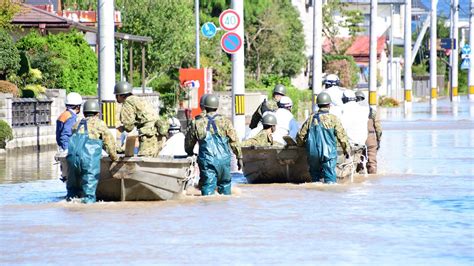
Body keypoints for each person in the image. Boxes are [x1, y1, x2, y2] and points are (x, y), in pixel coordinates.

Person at [185, 94, 243, 195]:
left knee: (208, 188)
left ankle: (208, 210)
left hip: (208, 162)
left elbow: (189, 142)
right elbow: (235, 141)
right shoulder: (226, 122)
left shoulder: (197, 122)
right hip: (224, 161)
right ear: (216, 106)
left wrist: (189, 152)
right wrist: (239, 157)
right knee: (225, 187)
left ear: (204, 106)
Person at [66, 100, 119, 203]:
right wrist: (114, 158)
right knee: (89, 194)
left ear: (84, 113)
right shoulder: (99, 123)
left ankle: (70, 205)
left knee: (72, 192)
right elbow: (109, 143)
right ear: (97, 113)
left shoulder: (77, 124)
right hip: (88, 160)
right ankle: (88, 211)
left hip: (72, 158)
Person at [296, 92, 350, 184]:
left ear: (318, 105)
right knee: (330, 181)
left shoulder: (310, 119)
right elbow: (342, 137)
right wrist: (346, 150)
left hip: (313, 154)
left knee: (315, 179)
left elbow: (301, 136)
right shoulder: (334, 119)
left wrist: (300, 145)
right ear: (329, 105)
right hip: (329, 154)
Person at [114, 81, 168, 157]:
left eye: (117, 96)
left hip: (148, 135)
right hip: (158, 133)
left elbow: (128, 126)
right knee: (154, 161)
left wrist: (122, 128)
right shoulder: (138, 99)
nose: (116, 98)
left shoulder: (128, 102)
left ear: (121, 95)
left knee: (144, 164)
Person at [355, 90, 382, 174]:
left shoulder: (352, 111)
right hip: (370, 137)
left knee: (357, 161)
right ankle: (373, 179)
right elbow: (378, 128)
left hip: (357, 137)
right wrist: (378, 140)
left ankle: (360, 178)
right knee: (372, 161)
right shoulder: (371, 111)